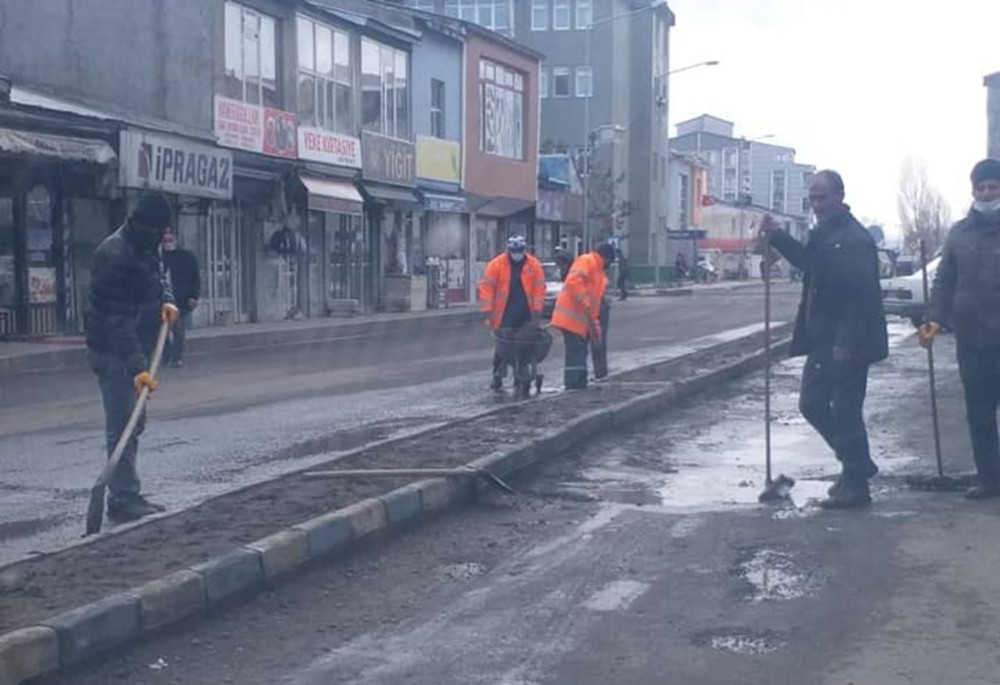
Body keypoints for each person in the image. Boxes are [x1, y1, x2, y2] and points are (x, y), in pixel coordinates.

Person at [761, 170, 888, 509]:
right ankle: (856, 465)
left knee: (846, 410)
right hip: (823, 339)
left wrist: (847, 344)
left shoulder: (854, 238)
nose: (816, 205)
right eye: (812, 198)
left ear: (840, 196)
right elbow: (810, 264)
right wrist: (777, 237)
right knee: (812, 404)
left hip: (849, 341)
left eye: (822, 197)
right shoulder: (824, 234)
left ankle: (856, 485)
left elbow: (861, 297)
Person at [85, 192, 180, 522]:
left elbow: (158, 277)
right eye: (160, 230)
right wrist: (138, 366)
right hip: (112, 351)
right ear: (145, 224)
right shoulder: (114, 255)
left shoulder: (143, 245)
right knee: (123, 422)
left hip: (132, 345)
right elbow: (117, 320)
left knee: (133, 421)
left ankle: (127, 492)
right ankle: (123, 499)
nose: (162, 237)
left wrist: (167, 300)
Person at [920, 158, 1000, 499]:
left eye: (993, 186)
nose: (987, 193)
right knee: (979, 413)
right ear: (973, 191)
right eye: (981, 187)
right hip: (974, 339)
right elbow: (944, 281)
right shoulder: (959, 233)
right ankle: (990, 480)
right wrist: (933, 318)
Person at [478, 235, 546, 390]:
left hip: (525, 315)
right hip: (504, 315)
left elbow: (539, 289)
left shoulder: (533, 265)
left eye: (520, 250)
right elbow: (486, 287)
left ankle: (519, 375)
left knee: (523, 347)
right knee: (502, 350)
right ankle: (497, 375)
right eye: (514, 250)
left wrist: (536, 312)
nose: (517, 253)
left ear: (524, 250)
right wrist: (487, 311)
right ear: (508, 250)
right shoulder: (496, 265)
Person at [552, 242, 616, 389]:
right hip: (570, 319)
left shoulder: (598, 272)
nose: (609, 265)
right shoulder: (587, 261)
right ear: (606, 258)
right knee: (576, 354)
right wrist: (585, 302)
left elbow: (594, 308)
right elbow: (573, 282)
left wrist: (595, 329)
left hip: (579, 321)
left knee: (580, 352)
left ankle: (579, 385)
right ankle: (574, 386)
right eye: (610, 262)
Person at [161, 230, 200, 368]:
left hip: (180, 301)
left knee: (178, 330)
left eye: (170, 241)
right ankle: (166, 356)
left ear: (176, 241)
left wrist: (193, 296)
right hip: (161, 301)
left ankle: (177, 357)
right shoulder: (157, 258)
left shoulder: (186, 257)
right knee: (162, 332)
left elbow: (195, 278)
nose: (168, 244)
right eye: (165, 241)